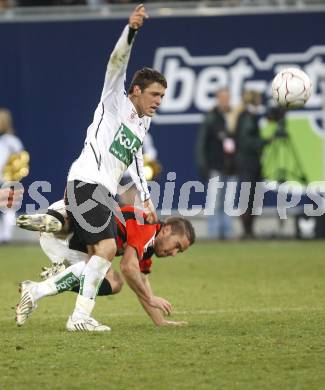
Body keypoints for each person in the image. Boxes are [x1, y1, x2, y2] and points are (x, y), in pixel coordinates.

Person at [64, 4, 169, 330]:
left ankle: (49, 283)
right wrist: (131, 30)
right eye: (154, 94)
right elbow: (117, 61)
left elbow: (135, 159)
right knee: (108, 248)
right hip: (85, 182)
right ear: (135, 91)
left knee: (97, 254)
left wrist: (146, 198)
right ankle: (79, 317)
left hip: (104, 192)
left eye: (162, 96)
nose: (158, 101)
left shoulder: (141, 123)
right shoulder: (114, 99)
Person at [15, 202, 196, 330]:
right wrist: (150, 298)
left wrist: (160, 321)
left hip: (66, 242)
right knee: (99, 266)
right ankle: (56, 223)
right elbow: (128, 267)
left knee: (111, 280)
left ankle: (36, 288)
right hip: (77, 221)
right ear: (166, 230)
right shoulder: (148, 226)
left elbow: (141, 280)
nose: (173, 253)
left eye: (178, 252)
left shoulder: (147, 249)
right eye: (177, 246)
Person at [195, 88, 236, 239]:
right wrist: (203, 165)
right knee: (213, 202)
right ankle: (213, 234)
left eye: (227, 98)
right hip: (215, 166)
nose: (225, 101)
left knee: (229, 203)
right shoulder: (211, 118)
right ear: (218, 99)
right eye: (222, 98)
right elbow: (202, 143)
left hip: (232, 168)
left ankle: (228, 233)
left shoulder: (234, 117)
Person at [234, 90, 269, 239]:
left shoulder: (248, 116)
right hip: (248, 164)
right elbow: (246, 141)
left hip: (250, 163)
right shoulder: (248, 117)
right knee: (249, 197)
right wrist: (264, 142)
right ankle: (247, 231)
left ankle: (249, 230)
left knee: (252, 197)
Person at [0, 109, 25, 244]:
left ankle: (7, 238)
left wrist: (14, 176)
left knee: (8, 208)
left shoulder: (12, 141)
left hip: (7, 179)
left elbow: (20, 160)